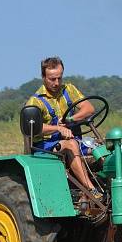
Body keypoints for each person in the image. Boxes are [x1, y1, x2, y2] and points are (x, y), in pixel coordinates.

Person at [25, 56, 102, 198]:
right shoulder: (35, 101)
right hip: (45, 146)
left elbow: (89, 108)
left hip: (72, 139)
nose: (57, 83)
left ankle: (110, 184)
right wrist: (58, 128)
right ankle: (92, 191)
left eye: (59, 78)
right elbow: (34, 127)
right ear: (43, 77)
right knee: (71, 144)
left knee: (103, 147)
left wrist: (70, 119)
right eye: (52, 79)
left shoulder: (69, 90)